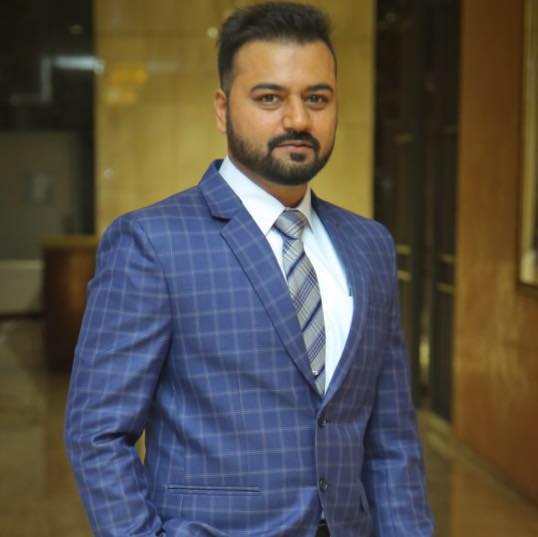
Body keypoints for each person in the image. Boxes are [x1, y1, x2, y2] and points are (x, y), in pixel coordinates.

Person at [64, 2, 434, 536]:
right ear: (223, 109)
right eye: (269, 98)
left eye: (317, 98)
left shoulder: (369, 247)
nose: (298, 120)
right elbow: (97, 433)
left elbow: (392, 440)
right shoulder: (151, 243)